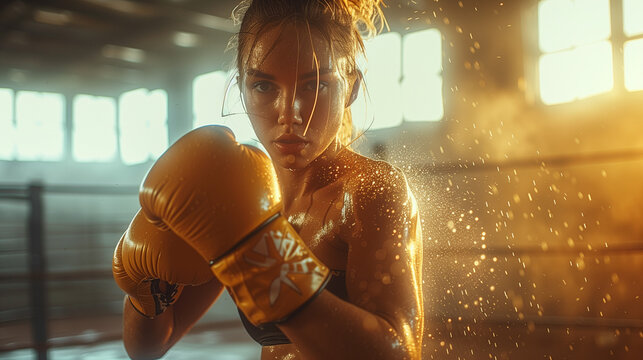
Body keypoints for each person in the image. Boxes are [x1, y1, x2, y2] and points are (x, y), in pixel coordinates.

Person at [112, 0, 424, 359]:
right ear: (242, 86)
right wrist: (145, 293)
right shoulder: (239, 193)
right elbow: (148, 347)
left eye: (316, 85)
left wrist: (266, 267)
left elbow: (400, 354)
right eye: (263, 86)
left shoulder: (370, 192)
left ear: (351, 86)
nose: (289, 113)